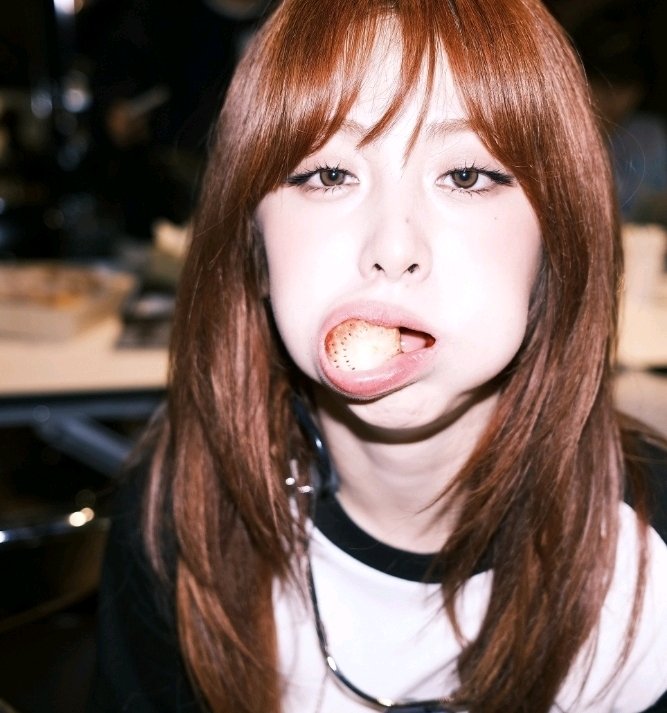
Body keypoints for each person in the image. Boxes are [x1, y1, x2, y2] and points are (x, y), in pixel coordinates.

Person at [88, 1, 667, 711]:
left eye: (466, 175)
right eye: (329, 174)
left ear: (556, 241)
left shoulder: (651, 565)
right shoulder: (177, 517)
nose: (392, 248)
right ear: (254, 247)